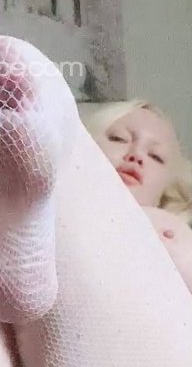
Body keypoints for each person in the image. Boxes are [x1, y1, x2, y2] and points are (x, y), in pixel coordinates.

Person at [82, 98, 192, 292]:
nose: (137, 155)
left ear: (164, 194)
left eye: (156, 156)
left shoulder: (177, 240)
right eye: (119, 138)